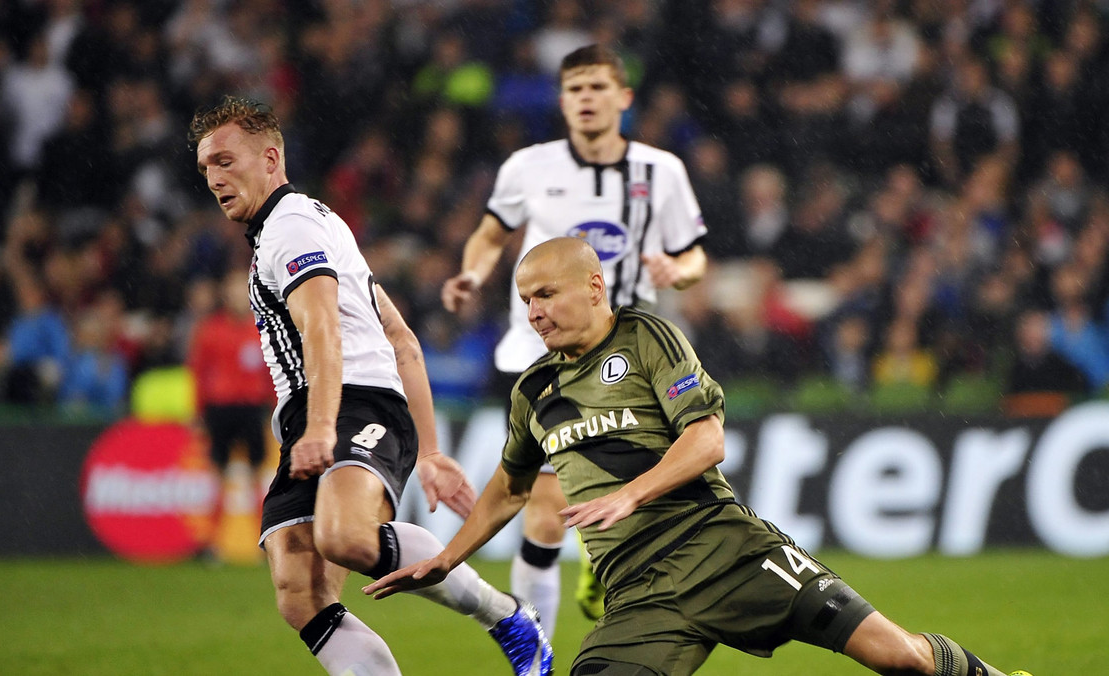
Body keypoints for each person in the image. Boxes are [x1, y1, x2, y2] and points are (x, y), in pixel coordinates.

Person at [366, 238, 1033, 676]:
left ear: (594, 288)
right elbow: (510, 489)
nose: (535, 312)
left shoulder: (647, 336)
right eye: (525, 301)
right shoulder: (533, 390)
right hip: (639, 593)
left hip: (728, 549)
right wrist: (447, 560)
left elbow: (708, 437)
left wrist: (635, 492)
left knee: (900, 659)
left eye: (547, 294)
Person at [189, 96, 553, 676]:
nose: (214, 178)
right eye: (207, 168)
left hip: (351, 404)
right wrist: (430, 452)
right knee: (299, 592)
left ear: (271, 158)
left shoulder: (290, 228)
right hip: (324, 411)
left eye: (227, 162)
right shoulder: (317, 224)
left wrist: (320, 426)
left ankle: (507, 615)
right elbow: (402, 338)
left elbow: (323, 330)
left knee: (347, 537)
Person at [441, 44, 708, 634]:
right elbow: (489, 235)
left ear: (623, 97)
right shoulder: (527, 167)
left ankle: (598, 559)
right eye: (575, 89)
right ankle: (534, 647)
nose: (586, 99)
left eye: (596, 87)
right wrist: (473, 274)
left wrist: (677, 270)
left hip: (633, 353)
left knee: (635, 493)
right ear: (562, 102)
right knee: (545, 506)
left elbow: (693, 257)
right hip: (542, 356)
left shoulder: (661, 172)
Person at [186, 270, 273, 559]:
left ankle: (264, 541)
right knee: (219, 476)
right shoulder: (211, 330)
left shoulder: (260, 328)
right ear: (226, 295)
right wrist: (198, 410)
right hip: (220, 409)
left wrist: (275, 406)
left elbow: (270, 372)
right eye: (233, 290)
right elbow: (198, 373)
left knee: (257, 476)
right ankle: (211, 543)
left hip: (251, 408)